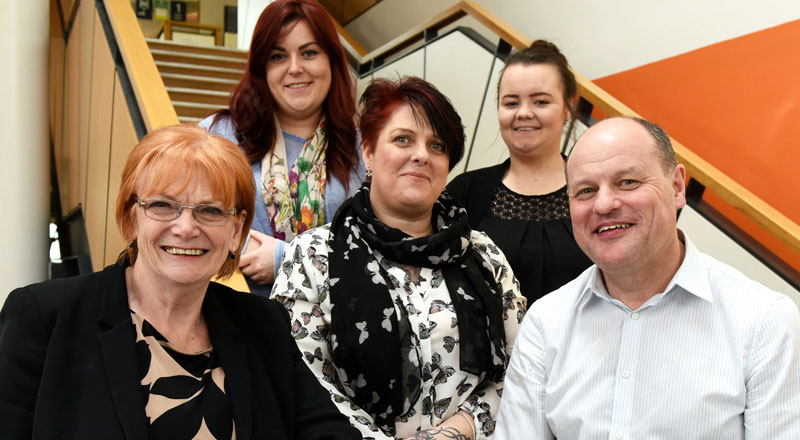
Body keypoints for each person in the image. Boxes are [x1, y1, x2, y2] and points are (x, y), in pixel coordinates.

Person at [0, 124, 360, 439]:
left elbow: (327, 430)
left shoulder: (263, 323)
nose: (187, 228)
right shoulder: (45, 317)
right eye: (162, 205)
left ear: (236, 231)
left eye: (211, 210)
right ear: (130, 219)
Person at [495, 117, 800, 439]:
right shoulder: (546, 323)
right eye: (585, 191)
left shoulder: (764, 321)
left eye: (627, 182)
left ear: (677, 187)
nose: (604, 204)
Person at [272, 77, 527, 439]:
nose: (421, 154)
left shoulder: (483, 255)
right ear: (369, 152)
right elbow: (307, 384)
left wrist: (455, 432)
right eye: (402, 139)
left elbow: (521, 368)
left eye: (436, 145)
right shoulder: (312, 257)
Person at [200, 0, 365, 296]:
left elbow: (376, 251)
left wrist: (285, 259)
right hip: (236, 321)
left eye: (309, 53)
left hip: (336, 327)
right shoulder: (219, 135)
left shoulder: (363, 149)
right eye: (278, 56)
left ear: (332, 61)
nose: (295, 68)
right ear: (262, 68)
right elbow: (184, 214)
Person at [447, 40, 592, 304]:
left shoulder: (594, 190)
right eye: (511, 103)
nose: (524, 113)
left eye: (540, 101)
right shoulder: (465, 192)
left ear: (567, 108)